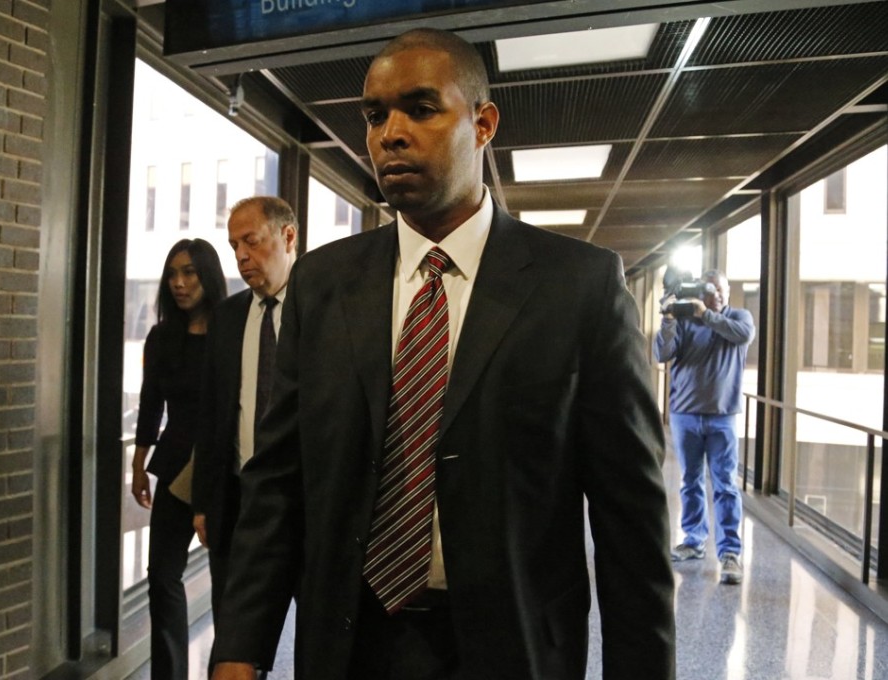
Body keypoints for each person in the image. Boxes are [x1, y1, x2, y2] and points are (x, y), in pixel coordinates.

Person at [209, 28, 675, 680]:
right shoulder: (323, 284)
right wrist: (240, 645)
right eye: (375, 115)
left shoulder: (579, 288)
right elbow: (279, 482)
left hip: (510, 646)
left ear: (483, 123)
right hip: (349, 642)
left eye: (421, 109)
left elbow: (632, 526)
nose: (389, 134)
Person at [189, 196, 297, 676]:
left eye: (251, 242)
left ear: (288, 237)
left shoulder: (324, 309)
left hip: (308, 501)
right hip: (236, 499)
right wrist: (203, 502)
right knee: (233, 639)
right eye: (234, 246)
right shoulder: (229, 317)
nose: (241, 256)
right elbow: (212, 415)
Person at [131, 238, 227, 680]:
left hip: (224, 468)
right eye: (172, 275)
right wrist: (138, 462)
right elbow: (151, 403)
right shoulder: (162, 336)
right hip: (174, 469)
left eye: (188, 273)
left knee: (228, 583)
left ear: (206, 274)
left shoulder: (232, 331)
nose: (179, 283)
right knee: (162, 576)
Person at [653, 269, 755, 585]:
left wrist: (706, 315)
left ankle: (729, 553)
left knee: (725, 484)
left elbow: (742, 335)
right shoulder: (685, 319)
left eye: (722, 289)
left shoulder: (739, 317)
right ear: (700, 291)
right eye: (711, 290)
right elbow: (662, 353)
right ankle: (694, 540)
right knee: (690, 481)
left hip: (722, 416)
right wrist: (668, 319)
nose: (718, 295)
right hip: (685, 413)